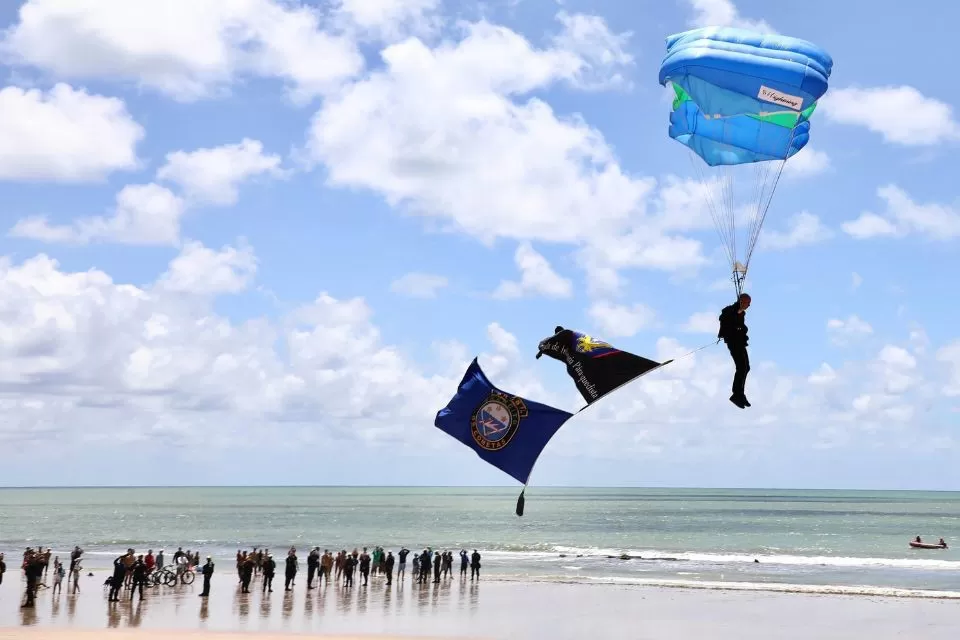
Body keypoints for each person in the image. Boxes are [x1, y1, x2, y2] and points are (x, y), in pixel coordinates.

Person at [718, 293, 752, 408]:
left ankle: (740, 394)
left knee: (746, 367)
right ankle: (736, 395)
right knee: (742, 367)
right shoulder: (731, 310)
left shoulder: (742, 313)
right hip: (733, 343)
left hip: (740, 343)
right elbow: (724, 316)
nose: (748, 306)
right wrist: (737, 310)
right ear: (741, 301)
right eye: (747, 303)